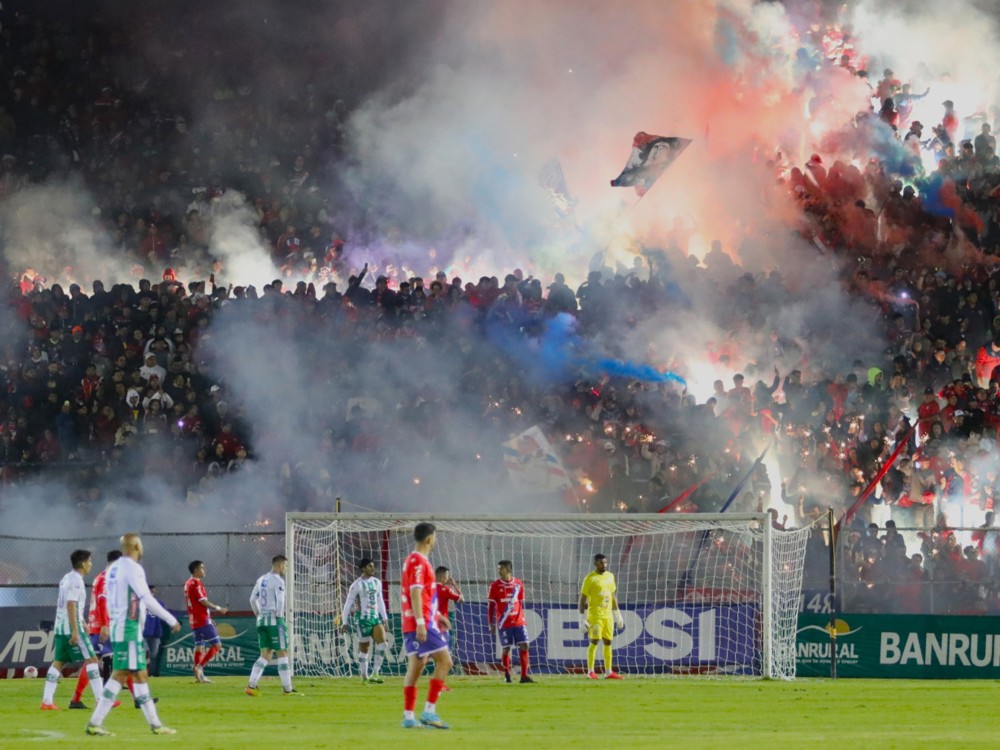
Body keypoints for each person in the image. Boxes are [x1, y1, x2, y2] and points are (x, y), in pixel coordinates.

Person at [86, 533, 181, 737]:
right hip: (129, 629)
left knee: (138, 674)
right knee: (122, 674)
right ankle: (95, 722)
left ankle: (155, 725)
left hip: (120, 627)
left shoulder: (113, 569)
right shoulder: (133, 568)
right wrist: (170, 619)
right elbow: (146, 597)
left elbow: (115, 600)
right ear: (136, 546)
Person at [400, 521, 452, 729]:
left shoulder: (411, 560)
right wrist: (422, 622)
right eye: (435, 536)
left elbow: (423, 596)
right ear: (429, 539)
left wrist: (437, 614)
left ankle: (408, 717)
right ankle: (429, 711)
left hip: (414, 620)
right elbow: (415, 592)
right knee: (445, 662)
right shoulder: (419, 562)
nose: (435, 540)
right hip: (421, 623)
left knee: (416, 668)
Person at [40, 549, 105, 711]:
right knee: (92, 660)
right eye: (89, 561)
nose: (91, 564)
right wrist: (76, 630)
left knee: (58, 662)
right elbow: (70, 604)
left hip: (61, 626)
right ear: (83, 564)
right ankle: (101, 700)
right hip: (70, 627)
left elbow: (71, 605)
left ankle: (47, 701)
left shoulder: (67, 577)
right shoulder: (76, 580)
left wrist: (82, 621)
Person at [69, 549, 120, 708]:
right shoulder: (106, 578)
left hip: (97, 624)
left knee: (92, 661)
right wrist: (105, 624)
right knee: (105, 659)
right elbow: (102, 601)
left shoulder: (102, 577)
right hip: (100, 626)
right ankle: (107, 698)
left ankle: (76, 699)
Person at [246, 554, 299, 696]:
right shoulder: (278, 580)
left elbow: (252, 599)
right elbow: (280, 600)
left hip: (261, 621)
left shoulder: (261, 579)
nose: (286, 569)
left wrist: (259, 614)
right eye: (285, 566)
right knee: (282, 652)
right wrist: (279, 616)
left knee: (265, 654)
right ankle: (287, 689)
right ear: (280, 565)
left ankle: (251, 686)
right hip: (274, 621)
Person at [339, 557, 389, 684]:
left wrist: (385, 618)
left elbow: (380, 600)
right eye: (370, 566)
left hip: (375, 618)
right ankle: (364, 677)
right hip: (362, 620)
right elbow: (348, 604)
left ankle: (375, 673)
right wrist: (344, 622)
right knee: (364, 649)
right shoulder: (357, 585)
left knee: (383, 644)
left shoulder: (377, 582)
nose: (373, 568)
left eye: (373, 566)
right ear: (363, 568)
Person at [487, 560, 534, 684]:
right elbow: (491, 606)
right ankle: (507, 675)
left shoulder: (518, 583)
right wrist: (490, 623)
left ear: (508, 569)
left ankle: (524, 676)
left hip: (518, 621)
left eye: (501, 568)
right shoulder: (495, 585)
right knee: (506, 648)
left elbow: (520, 602)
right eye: (498, 568)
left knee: (525, 645)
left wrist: (520, 617)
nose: (498, 571)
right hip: (504, 622)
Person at [578, 553, 625, 680]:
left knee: (608, 642)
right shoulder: (590, 579)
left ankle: (608, 672)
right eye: (601, 563)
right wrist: (582, 618)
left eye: (605, 562)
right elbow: (582, 598)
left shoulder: (610, 576)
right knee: (594, 641)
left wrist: (618, 614)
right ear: (595, 563)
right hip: (595, 615)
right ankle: (590, 671)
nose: (604, 565)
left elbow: (613, 596)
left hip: (608, 615)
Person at [184, 560, 229, 684]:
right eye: (202, 568)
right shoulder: (195, 583)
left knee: (199, 646)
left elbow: (195, 604)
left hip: (194, 620)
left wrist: (208, 617)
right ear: (196, 570)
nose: (205, 570)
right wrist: (218, 608)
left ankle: (200, 677)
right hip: (201, 620)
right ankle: (199, 667)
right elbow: (202, 601)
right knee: (217, 645)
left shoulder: (188, 583)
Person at [143, 585, 168, 678]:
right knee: (144, 653)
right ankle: (143, 673)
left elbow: (166, 615)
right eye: (150, 591)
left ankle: (152, 673)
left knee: (154, 654)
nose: (152, 593)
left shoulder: (159, 603)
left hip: (155, 633)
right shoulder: (141, 603)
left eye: (153, 592)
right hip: (143, 634)